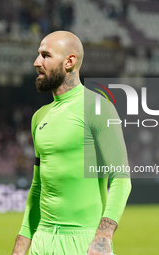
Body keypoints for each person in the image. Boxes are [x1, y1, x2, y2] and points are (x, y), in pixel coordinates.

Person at [12, 31, 131, 255]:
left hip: (84, 243)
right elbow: (37, 188)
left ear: (69, 61)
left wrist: (103, 236)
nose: (37, 62)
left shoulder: (97, 107)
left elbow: (121, 179)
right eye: (38, 55)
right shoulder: (39, 117)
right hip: (42, 242)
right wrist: (21, 245)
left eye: (45, 55)